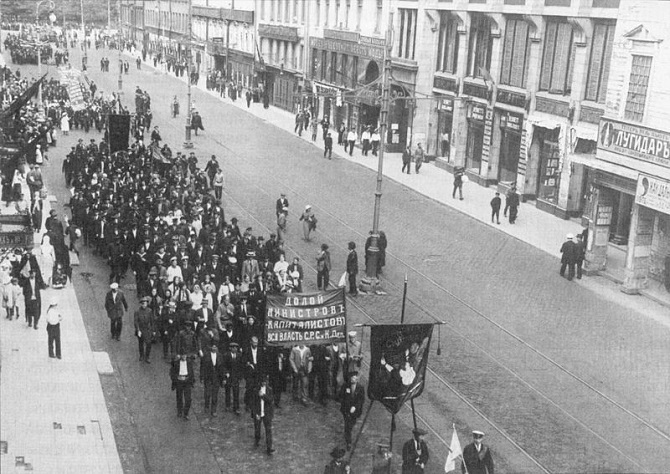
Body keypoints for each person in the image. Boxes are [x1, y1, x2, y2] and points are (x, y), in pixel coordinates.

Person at [339, 371, 364, 451]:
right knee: (348, 426)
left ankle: (348, 433)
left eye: (354, 378)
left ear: (357, 379)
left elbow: (361, 400)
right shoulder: (346, 386)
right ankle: (348, 442)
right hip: (346, 410)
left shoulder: (360, 388)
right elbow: (341, 396)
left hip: (355, 411)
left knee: (351, 424)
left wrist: (355, 407)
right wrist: (346, 405)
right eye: (352, 378)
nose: (352, 379)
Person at [251, 374, 275, 455]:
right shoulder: (255, 390)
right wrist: (255, 414)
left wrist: (263, 396)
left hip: (267, 413)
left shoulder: (269, 390)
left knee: (268, 430)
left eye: (265, 382)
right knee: (257, 429)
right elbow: (253, 403)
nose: (264, 383)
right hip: (258, 413)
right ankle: (257, 440)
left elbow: (270, 400)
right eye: (263, 382)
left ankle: (269, 447)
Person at [201, 344, 225, 417]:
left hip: (216, 378)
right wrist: (201, 377)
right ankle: (206, 406)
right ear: (210, 347)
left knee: (215, 394)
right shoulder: (206, 355)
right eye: (213, 346)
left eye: (215, 347)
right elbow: (202, 367)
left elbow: (222, 368)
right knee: (207, 393)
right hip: (208, 377)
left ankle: (213, 410)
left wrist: (223, 378)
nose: (214, 348)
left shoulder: (220, 356)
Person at [170, 354, 195, 420]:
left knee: (188, 399)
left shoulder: (189, 362)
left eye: (185, 355)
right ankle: (180, 411)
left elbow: (191, 372)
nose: (184, 357)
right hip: (179, 382)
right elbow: (172, 372)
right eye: (182, 355)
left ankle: (186, 413)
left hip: (187, 382)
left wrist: (191, 380)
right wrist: (176, 379)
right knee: (179, 397)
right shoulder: (176, 363)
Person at [223, 342, 243, 415]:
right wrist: (226, 373)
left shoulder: (239, 355)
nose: (235, 349)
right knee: (227, 391)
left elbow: (241, 366)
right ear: (230, 348)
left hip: (236, 377)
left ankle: (236, 408)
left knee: (236, 393)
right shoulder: (226, 355)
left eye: (236, 347)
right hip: (229, 376)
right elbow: (224, 366)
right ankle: (227, 405)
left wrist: (240, 376)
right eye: (233, 347)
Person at [134, 296, 155, 363]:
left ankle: (147, 356)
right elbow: (136, 322)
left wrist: (153, 330)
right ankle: (141, 355)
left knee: (148, 343)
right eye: (143, 303)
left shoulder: (149, 311)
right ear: (141, 304)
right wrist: (138, 330)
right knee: (141, 343)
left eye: (145, 303)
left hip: (147, 329)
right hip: (141, 329)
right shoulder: (137, 311)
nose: (144, 305)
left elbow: (152, 321)